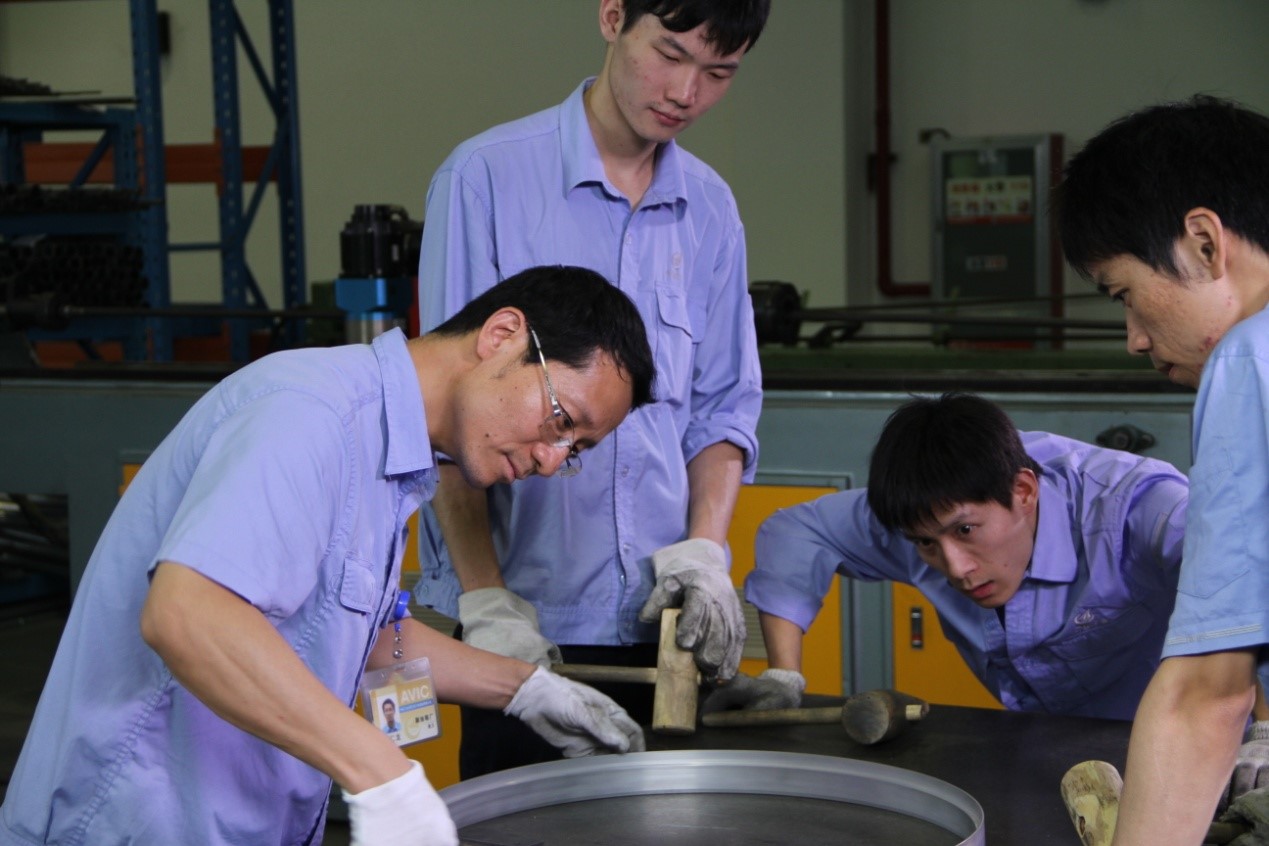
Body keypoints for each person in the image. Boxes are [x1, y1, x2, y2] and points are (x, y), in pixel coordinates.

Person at [0, 265, 656, 846]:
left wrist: (524, 689)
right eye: (561, 421)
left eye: (575, 450)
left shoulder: (395, 457)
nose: (551, 460)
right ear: (502, 335)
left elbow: (351, 635)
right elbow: (187, 615)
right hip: (132, 825)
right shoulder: (311, 414)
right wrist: (382, 773)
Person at [414, 0, 768, 777]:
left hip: (663, 628)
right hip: (523, 630)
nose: (685, 93)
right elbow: (445, 410)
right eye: (669, 54)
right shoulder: (487, 179)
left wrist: (703, 554)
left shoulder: (709, 208)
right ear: (612, 16)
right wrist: (488, 603)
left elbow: (722, 409)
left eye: (718, 73)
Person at [1052, 94, 1269, 845]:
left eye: (1125, 293)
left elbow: (1205, 694)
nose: (1134, 339)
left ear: (1204, 243)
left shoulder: (1250, 359)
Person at [710, 392, 1188, 722]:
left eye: (966, 531)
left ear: (1023, 491)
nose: (957, 569)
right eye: (926, 545)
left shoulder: (1136, 509)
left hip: (1171, 740)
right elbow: (795, 531)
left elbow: (1234, 574)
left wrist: (1242, 732)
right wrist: (784, 676)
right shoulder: (925, 512)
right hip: (1043, 738)